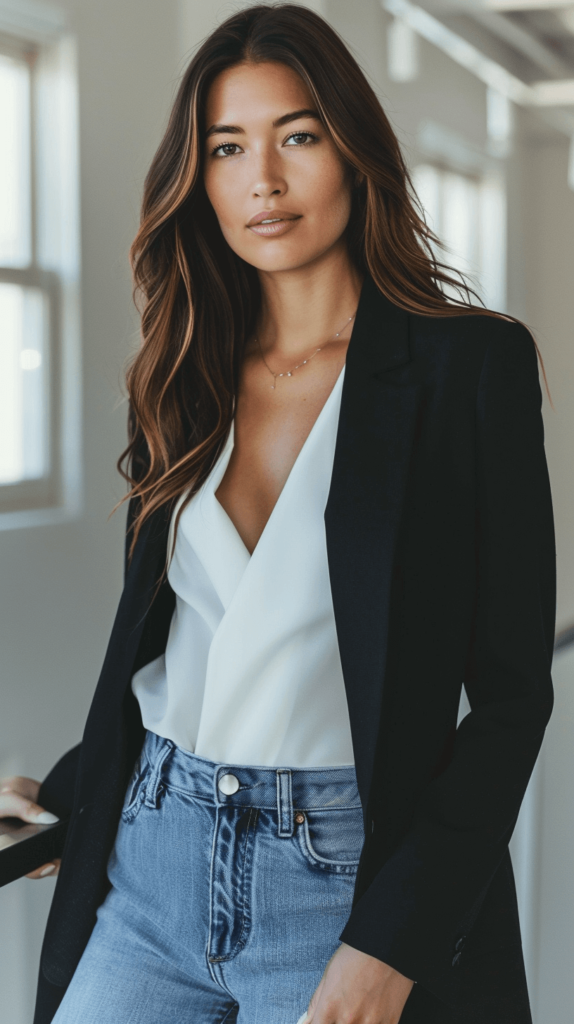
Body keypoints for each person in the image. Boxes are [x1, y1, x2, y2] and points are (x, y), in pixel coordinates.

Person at [0, 5, 555, 1023]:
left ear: (353, 149)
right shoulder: (180, 372)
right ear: (198, 175)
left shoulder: (465, 367)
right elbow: (180, 643)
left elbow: (512, 699)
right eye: (226, 146)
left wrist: (390, 945)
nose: (262, 178)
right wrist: (70, 794)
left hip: (339, 881)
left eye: (296, 135)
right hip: (150, 857)